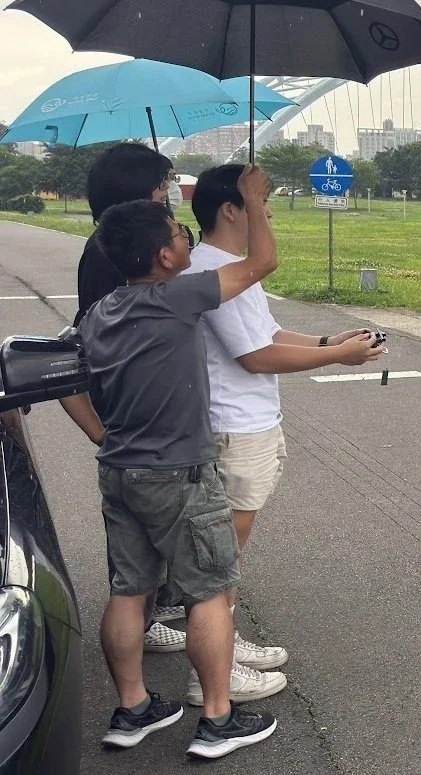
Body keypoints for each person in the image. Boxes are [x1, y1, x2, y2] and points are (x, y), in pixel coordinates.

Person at [79, 166, 280, 759]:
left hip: (120, 470)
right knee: (209, 592)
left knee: (129, 590)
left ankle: (133, 708)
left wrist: (102, 432)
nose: (186, 242)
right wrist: (253, 201)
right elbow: (261, 263)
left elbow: (65, 380)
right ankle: (217, 719)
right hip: (182, 474)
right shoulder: (178, 297)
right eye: (178, 235)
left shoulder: (101, 313)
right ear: (164, 257)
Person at [182, 164, 382, 703]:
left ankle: (225, 642)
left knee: (226, 554)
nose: (268, 215)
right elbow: (255, 357)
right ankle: (214, 680)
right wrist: (338, 356)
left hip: (244, 426)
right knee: (223, 557)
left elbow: (264, 332)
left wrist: (325, 339)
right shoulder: (216, 271)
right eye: (262, 205)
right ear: (233, 209)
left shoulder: (228, 269)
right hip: (235, 430)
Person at [64, 142, 190, 657]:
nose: (168, 196)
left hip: (124, 406)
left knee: (133, 530)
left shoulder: (103, 245)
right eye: (162, 188)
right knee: (147, 532)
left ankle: (146, 614)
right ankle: (149, 618)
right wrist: (100, 431)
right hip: (135, 405)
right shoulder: (114, 257)